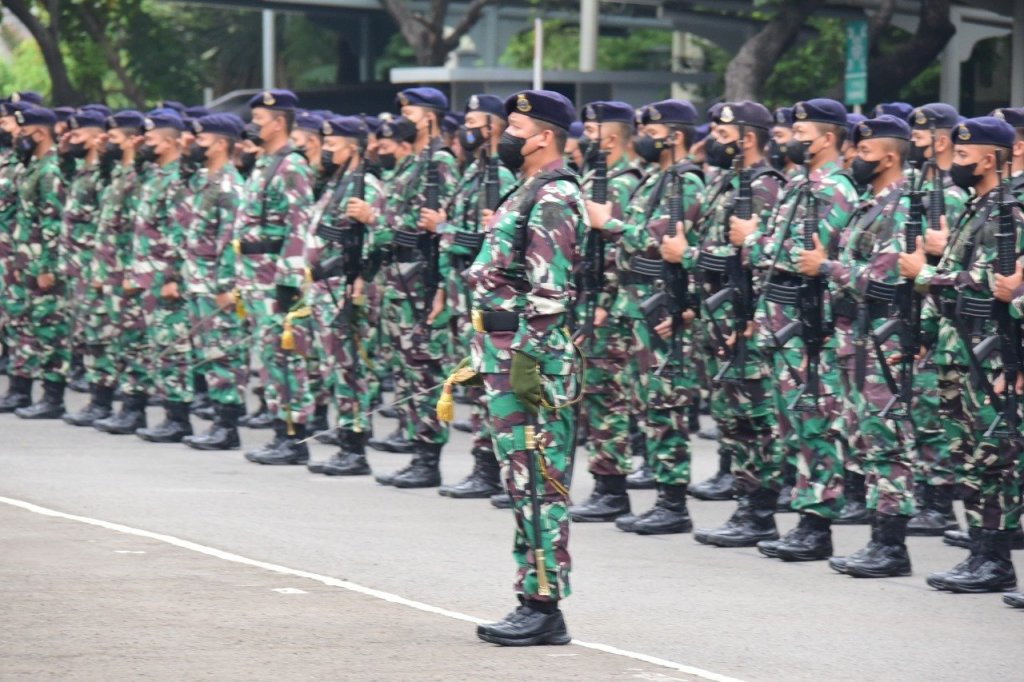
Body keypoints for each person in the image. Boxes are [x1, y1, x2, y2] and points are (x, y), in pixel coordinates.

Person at [465, 88, 583, 646]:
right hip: (505, 353)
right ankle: (531, 595)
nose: (506, 136)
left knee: (538, 482)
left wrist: (528, 361)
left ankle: (543, 607)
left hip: (527, 360)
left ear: (544, 137)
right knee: (520, 480)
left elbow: (550, 292)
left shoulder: (555, 195)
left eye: (516, 127)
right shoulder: (527, 189)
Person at [901, 116, 1023, 593]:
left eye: (964, 156)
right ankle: (979, 552)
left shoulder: (1010, 212)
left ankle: (995, 559)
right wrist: (926, 335)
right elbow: (957, 278)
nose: (955, 163)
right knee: (968, 458)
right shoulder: (977, 208)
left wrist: (925, 274)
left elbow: (995, 283)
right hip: (959, 352)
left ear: (991, 159)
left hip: (990, 355)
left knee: (994, 460)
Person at [735, 98, 859, 562]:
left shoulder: (836, 188)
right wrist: (761, 245)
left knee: (815, 422)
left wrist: (753, 241)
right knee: (792, 425)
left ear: (827, 138)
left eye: (802, 133)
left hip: (810, 325)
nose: (791, 139)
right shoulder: (799, 184)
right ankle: (806, 516)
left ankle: (817, 525)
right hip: (781, 321)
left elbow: (807, 256)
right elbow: (774, 249)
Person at [801, 114, 917, 577]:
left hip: (884, 341)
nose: (856, 158)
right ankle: (878, 540)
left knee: (887, 442)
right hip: (857, 338)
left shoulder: (901, 207)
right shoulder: (870, 205)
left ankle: (891, 546)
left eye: (866, 152)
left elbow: (884, 280)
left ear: (889, 158)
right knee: (865, 440)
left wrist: (826, 268)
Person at [690, 101, 786, 548]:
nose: (714, 139)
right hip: (721, 314)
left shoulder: (765, 185)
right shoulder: (726, 181)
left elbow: (764, 259)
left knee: (755, 418)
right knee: (733, 417)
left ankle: (759, 512)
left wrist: (754, 316)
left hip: (745, 318)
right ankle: (746, 504)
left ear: (747, 139)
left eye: (723, 133)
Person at [236, 89, 316, 465]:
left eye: (259, 120)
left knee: (284, 357)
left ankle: (294, 436)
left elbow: (300, 225)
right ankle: (279, 431)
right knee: (269, 356)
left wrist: (289, 283)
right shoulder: (265, 162)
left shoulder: (291, 165)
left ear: (279, 123)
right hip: (257, 278)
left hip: (275, 281)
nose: (253, 126)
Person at [177, 113, 249, 451]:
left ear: (221, 144)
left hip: (215, 285)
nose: (195, 144)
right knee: (209, 353)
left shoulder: (229, 186)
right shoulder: (203, 180)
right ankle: (219, 420)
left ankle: (227, 426)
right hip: (197, 281)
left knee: (224, 353)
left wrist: (225, 286)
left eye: (202, 139)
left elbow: (231, 241)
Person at [10, 106, 69, 420]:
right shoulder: (34, 165)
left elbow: (53, 223)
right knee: (28, 325)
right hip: (27, 260)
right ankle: (24, 390)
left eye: (23, 132)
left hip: (42, 264)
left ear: (40, 133)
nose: (17, 137)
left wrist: (48, 266)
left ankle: (53, 397)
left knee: (50, 329)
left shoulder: (51, 170)